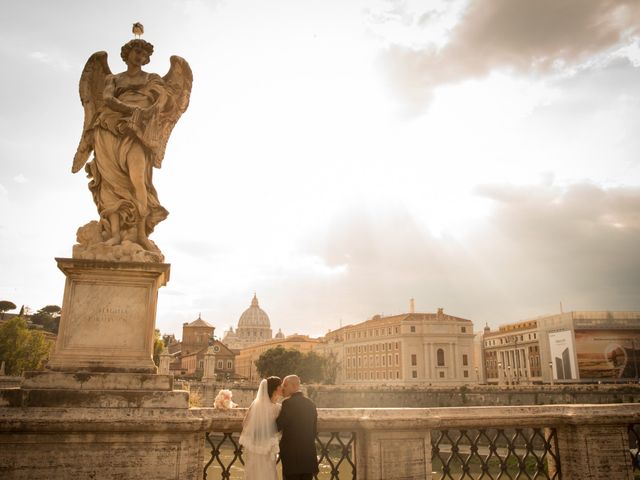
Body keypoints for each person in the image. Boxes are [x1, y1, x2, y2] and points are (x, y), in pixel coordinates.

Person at [72, 36, 191, 255]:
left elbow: (165, 101)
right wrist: (133, 110)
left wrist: (149, 111)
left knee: (138, 181)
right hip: (108, 127)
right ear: (127, 54)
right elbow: (107, 99)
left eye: (145, 55)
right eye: (137, 52)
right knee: (110, 184)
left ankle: (140, 234)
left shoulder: (153, 78)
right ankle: (115, 234)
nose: (141, 57)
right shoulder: (113, 79)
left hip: (137, 132)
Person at [239, 376, 283, 480]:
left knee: (253, 472)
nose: (282, 388)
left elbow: (245, 423)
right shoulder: (277, 408)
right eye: (280, 386)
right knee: (268, 472)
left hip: (254, 446)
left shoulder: (255, 404)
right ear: (276, 389)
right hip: (268, 447)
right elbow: (280, 428)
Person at [276, 375, 319, 480]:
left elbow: (278, 425)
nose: (283, 388)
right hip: (308, 455)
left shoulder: (287, 403)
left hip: (291, 457)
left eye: (285, 385)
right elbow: (314, 431)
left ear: (293, 386)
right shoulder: (311, 404)